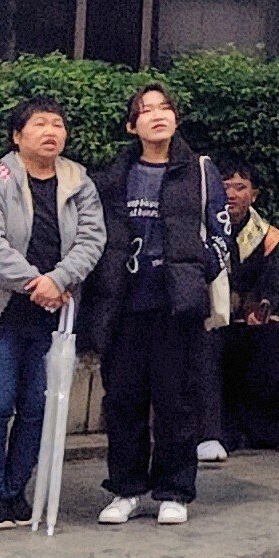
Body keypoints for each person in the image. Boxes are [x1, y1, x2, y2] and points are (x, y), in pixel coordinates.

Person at [0, 97, 105, 528]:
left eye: (57, 124)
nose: (50, 131)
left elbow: (92, 239)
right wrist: (35, 283)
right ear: (18, 136)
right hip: (0, 310)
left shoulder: (79, 181)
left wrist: (59, 279)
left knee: (37, 407)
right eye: (40, 124)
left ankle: (17, 490)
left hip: (50, 313)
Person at [91, 81, 228, 527]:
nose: (157, 115)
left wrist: (198, 269)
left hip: (177, 304)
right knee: (124, 400)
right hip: (125, 302)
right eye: (146, 110)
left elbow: (221, 233)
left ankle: (175, 491)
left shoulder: (200, 171)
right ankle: (126, 490)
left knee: (177, 402)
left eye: (165, 107)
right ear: (133, 126)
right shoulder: (113, 177)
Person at [217, 163, 279, 453]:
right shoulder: (206, 228)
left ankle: (265, 430)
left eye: (240, 187)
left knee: (272, 337)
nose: (231, 194)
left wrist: (260, 308)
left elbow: (271, 286)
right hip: (211, 314)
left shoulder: (266, 235)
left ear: (254, 195)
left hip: (248, 317)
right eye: (225, 187)